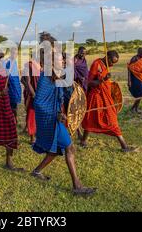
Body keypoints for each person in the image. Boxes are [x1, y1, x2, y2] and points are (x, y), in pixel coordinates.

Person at [31, 43, 94, 196]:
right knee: (69, 147)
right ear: (52, 62)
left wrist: (76, 108)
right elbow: (38, 102)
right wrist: (56, 114)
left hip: (55, 117)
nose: (64, 62)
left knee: (55, 149)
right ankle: (77, 186)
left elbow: (67, 96)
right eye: (61, 60)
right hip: (49, 119)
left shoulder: (57, 76)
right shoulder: (46, 77)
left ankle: (36, 171)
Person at [81, 51, 137, 152]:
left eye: (114, 63)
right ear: (107, 57)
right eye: (111, 61)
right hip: (96, 97)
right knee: (95, 118)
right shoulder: (96, 64)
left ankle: (83, 141)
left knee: (108, 118)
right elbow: (89, 83)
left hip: (106, 97)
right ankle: (124, 146)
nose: (112, 64)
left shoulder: (105, 65)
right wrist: (103, 80)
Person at [21, 57, 41, 144]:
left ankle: (36, 132)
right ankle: (32, 137)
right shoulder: (29, 66)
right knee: (31, 114)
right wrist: (32, 92)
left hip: (41, 94)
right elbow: (23, 80)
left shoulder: (43, 65)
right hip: (32, 94)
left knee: (39, 115)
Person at [128, 48, 142, 114]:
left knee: (141, 94)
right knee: (139, 95)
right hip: (135, 79)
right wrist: (129, 81)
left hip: (141, 78)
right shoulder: (134, 58)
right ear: (139, 53)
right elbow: (129, 69)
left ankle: (135, 109)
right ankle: (133, 109)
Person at [4, 47, 22, 124]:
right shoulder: (8, 62)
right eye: (13, 53)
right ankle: (12, 119)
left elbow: (16, 72)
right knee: (11, 103)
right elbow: (6, 74)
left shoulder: (15, 61)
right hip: (11, 84)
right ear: (11, 53)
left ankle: (15, 118)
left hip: (16, 84)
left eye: (16, 53)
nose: (15, 55)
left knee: (16, 103)